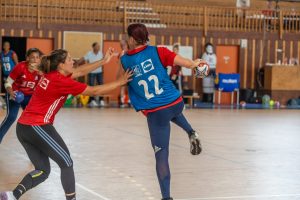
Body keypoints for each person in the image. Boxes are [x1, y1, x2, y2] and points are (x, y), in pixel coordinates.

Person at [0, 48, 132, 200]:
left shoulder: (53, 74)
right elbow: (94, 91)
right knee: (66, 162)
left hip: (24, 128)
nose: (73, 61)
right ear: (61, 65)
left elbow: (80, 71)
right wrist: (120, 82)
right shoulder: (60, 81)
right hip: (36, 125)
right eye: (69, 59)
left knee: (43, 170)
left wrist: (103, 61)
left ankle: (11, 196)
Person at [120, 23, 202, 200]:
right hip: (175, 102)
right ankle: (191, 131)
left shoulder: (125, 60)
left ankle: (166, 197)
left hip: (156, 113)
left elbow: (130, 69)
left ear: (133, 39)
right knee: (172, 112)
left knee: (161, 156)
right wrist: (197, 64)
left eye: (128, 37)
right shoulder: (160, 51)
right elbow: (187, 64)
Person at [0, 48, 42, 143]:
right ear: (27, 58)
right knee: (11, 117)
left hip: (29, 96)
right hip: (15, 94)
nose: (35, 60)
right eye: (32, 57)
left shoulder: (41, 70)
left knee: (35, 119)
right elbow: (7, 82)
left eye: (37, 57)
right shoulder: (20, 67)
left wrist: (42, 74)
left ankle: (36, 142)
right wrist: (11, 92)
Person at [77, 42, 105, 107]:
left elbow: (103, 61)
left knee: (101, 85)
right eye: (97, 46)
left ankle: (101, 100)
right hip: (91, 72)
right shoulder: (89, 54)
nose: (99, 47)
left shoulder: (101, 53)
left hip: (99, 72)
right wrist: (77, 63)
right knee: (91, 86)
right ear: (93, 47)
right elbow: (83, 58)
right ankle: (92, 100)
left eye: (99, 46)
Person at [117, 39, 131, 108]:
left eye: (123, 44)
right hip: (123, 72)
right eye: (121, 45)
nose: (122, 46)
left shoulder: (130, 51)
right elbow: (119, 65)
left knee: (129, 87)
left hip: (129, 72)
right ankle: (122, 101)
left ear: (126, 44)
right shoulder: (121, 53)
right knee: (122, 87)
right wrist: (118, 74)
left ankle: (129, 101)